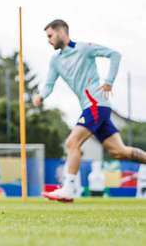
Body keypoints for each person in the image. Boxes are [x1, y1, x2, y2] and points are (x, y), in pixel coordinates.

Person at [33, 19, 146, 202]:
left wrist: (108, 81)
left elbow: (114, 55)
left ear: (62, 32)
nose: (49, 40)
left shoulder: (84, 49)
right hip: (93, 108)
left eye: (50, 36)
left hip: (96, 105)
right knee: (119, 151)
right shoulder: (55, 61)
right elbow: (48, 85)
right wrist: (40, 96)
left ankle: (68, 190)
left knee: (71, 143)